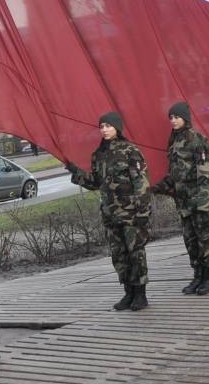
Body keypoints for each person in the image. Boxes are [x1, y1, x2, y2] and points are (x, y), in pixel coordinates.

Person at [67, 112, 152, 310]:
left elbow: (142, 183)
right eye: (101, 126)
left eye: (108, 125)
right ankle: (128, 293)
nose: (104, 129)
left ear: (117, 127)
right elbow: (95, 182)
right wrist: (75, 172)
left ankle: (140, 294)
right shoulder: (98, 155)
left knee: (135, 253)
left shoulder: (130, 151)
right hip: (110, 214)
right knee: (119, 255)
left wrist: (142, 212)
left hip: (131, 213)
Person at [152, 102, 209, 295]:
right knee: (190, 241)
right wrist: (158, 187)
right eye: (171, 118)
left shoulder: (197, 140)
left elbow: (206, 173)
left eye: (176, 117)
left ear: (185, 118)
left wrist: (203, 203)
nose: (173, 121)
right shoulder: (174, 141)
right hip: (184, 203)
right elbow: (175, 174)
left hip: (199, 202)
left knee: (205, 240)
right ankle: (198, 276)